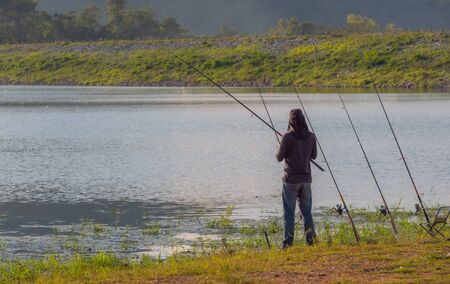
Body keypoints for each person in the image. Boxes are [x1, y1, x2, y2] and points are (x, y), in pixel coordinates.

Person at [276, 109, 317, 248]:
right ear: (303, 119)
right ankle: (310, 241)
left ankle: (287, 244)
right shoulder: (311, 136)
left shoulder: (287, 137)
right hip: (306, 181)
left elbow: (279, 157)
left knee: (289, 214)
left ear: (291, 120)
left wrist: (279, 145)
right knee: (306, 212)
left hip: (290, 181)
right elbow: (314, 156)